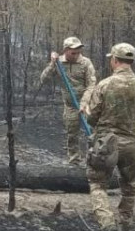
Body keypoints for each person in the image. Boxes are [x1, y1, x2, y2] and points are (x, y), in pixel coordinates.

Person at [81, 42, 135, 231]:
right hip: (133, 145)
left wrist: (87, 113)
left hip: (106, 144)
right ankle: (125, 222)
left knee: (97, 183)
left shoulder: (105, 85)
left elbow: (92, 119)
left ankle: (107, 222)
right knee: (129, 185)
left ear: (115, 61)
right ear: (131, 61)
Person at [39, 36, 97, 164]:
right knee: (72, 133)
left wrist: (84, 103)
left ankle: (93, 160)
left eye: (78, 52)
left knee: (92, 132)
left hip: (87, 104)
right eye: (73, 52)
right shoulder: (58, 63)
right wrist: (52, 64)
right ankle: (74, 160)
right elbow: (44, 79)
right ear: (65, 50)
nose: (76, 55)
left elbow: (92, 85)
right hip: (70, 105)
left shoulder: (86, 63)